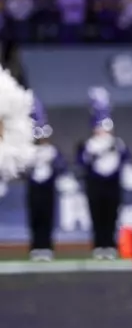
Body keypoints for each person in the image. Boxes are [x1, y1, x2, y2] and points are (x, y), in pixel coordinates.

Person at [76, 89, 129, 261]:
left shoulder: (117, 143)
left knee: (111, 215)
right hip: (96, 184)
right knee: (97, 215)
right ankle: (99, 245)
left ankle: (110, 245)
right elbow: (83, 162)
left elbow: (125, 158)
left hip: (112, 184)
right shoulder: (89, 145)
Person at [26, 96, 65, 261]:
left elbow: (61, 166)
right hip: (34, 187)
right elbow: (22, 169)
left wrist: (52, 161)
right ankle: (36, 247)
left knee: (48, 217)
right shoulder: (29, 151)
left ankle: (47, 247)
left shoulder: (52, 151)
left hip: (48, 187)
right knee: (35, 217)